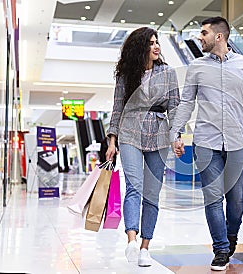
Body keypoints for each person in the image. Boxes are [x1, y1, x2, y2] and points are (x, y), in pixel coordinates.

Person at [169, 17, 243, 271]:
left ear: (219, 36)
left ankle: (231, 236)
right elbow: (187, 103)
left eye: (204, 33)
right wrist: (176, 133)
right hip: (205, 143)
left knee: (236, 201)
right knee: (212, 197)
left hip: (237, 142)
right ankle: (221, 249)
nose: (199, 37)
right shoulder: (197, 66)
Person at [106, 27, 180, 267]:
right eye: (151, 43)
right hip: (130, 131)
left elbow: (175, 107)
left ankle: (145, 247)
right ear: (140, 48)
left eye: (157, 42)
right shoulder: (126, 74)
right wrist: (112, 140)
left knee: (152, 194)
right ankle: (131, 240)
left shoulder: (168, 73)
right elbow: (117, 107)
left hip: (158, 134)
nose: (156, 46)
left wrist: (176, 135)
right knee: (134, 187)